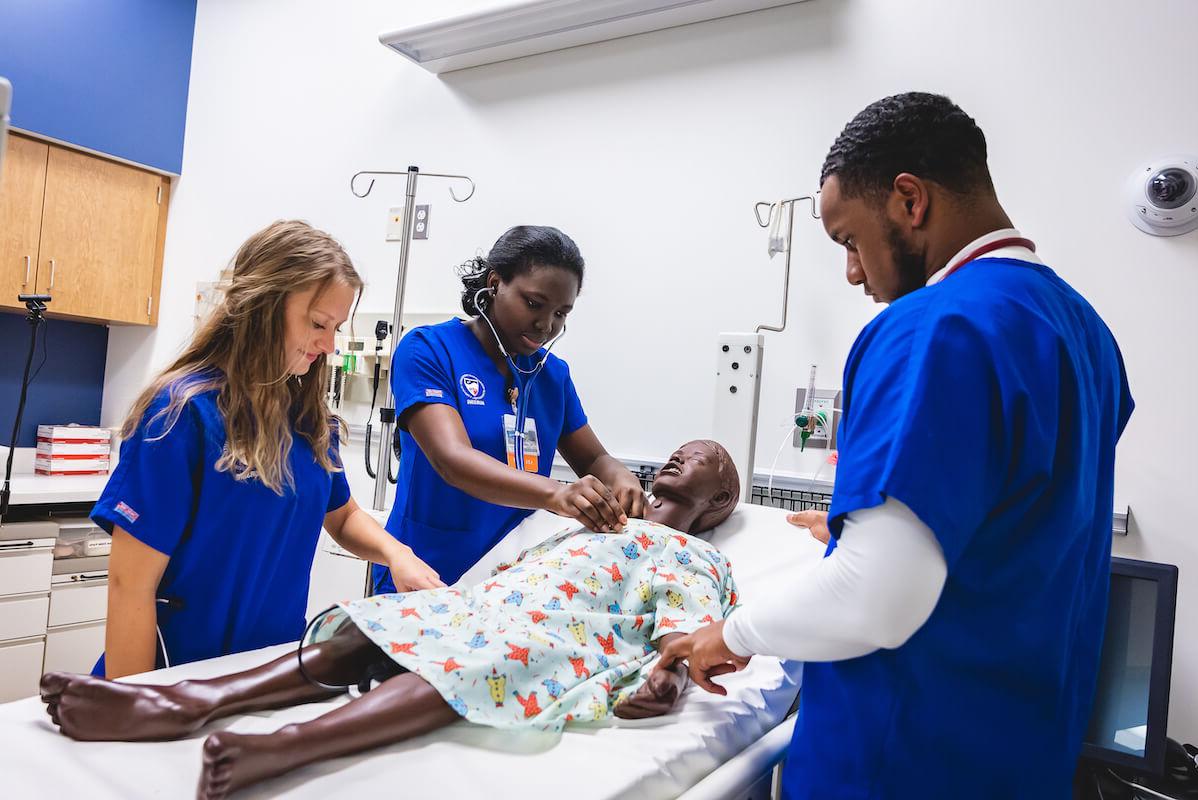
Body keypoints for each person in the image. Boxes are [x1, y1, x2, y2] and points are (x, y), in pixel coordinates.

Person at [658, 92, 1134, 799]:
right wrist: (867, 524)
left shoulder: (932, 327)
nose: (853, 273)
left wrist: (728, 634)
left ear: (910, 200)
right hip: (1020, 752)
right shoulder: (1083, 333)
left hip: (906, 756)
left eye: (849, 240)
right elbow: (1019, 520)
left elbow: (874, 598)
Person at [42, 440, 741, 799]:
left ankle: (289, 744)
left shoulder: (694, 557)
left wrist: (671, 677)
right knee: (380, 621)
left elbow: (688, 634)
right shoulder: (591, 521)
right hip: (485, 606)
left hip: (557, 639)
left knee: (482, 659)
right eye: (681, 447)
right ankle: (193, 699)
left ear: (719, 502)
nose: (682, 454)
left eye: (703, 457)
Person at [90, 220, 443, 680]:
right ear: (261, 308)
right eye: (318, 324)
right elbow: (129, 585)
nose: (329, 344)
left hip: (264, 673)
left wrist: (398, 555)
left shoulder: (309, 421)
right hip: (176, 675)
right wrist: (134, 707)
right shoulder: (181, 415)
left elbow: (342, 516)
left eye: (336, 327)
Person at [377, 225, 646, 592]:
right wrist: (556, 493)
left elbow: (595, 459)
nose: (545, 325)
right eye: (534, 304)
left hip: (514, 582)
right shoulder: (429, 350)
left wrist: (622, 478)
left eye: (561, 313)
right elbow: (452, 460)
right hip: (428, 572)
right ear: (494, 283)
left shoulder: (552, 376)